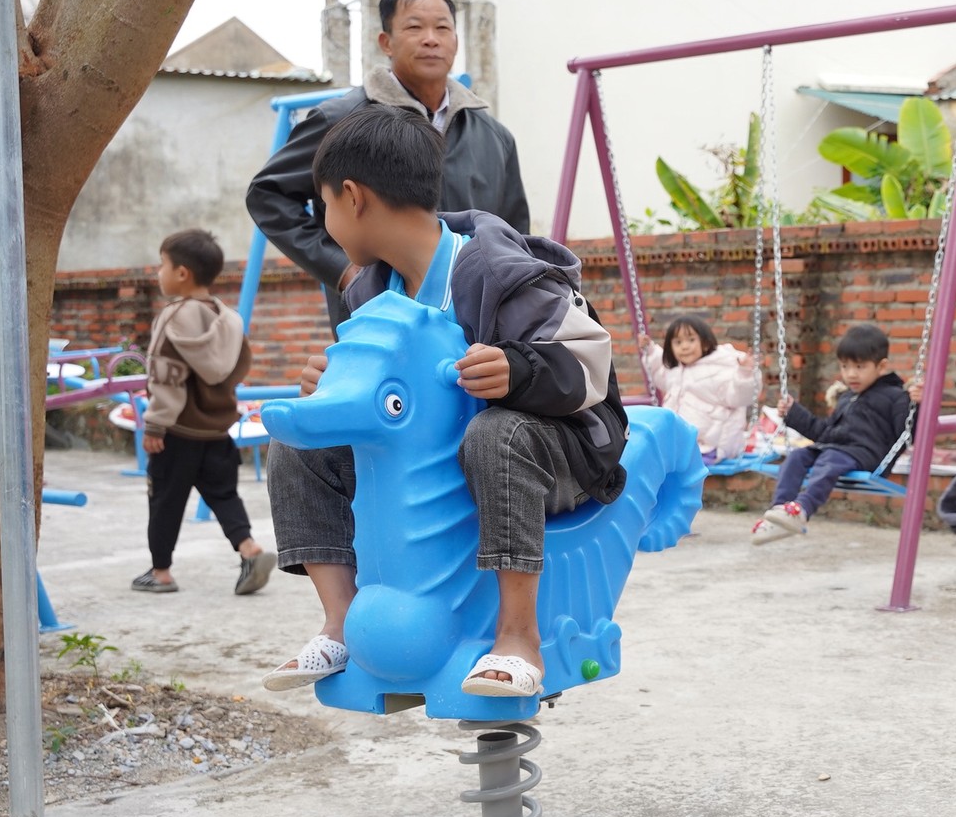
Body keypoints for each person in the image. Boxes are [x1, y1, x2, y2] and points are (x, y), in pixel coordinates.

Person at [260, 106, 627, 699]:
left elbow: (590, 365)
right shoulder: (368, 287)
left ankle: (518, 637)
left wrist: (519, 367)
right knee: (299, 445)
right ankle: (342, 623)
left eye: (321, 204)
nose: (323, 221)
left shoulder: (495, 269)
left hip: (557, 452)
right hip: (439, 458)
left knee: (498, 435)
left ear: (352, 198)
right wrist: (330, 384)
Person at [246, 0, 531, 330]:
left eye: (443, 28)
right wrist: (342, 269)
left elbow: (513, 234)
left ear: (456, 41)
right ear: (386, 42)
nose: (431, 39)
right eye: (414, 27)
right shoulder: (340, 120)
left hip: (472, 325)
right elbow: (267, 194)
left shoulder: (494, 137)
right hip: (376, 321)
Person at [133, 229, 276, 596]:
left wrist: (155, 426)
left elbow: (165, 377)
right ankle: (250, 549)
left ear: (182, 273)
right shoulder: (226, 318)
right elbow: (239, 367)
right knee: (224, 495)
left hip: (178, 432)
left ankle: (161, 571)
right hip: (217, 430)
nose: (157, 272)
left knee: (165, 499)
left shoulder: (173, 317)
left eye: (162, 264)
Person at [753, 325, 913, 544]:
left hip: (866, 456)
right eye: (845, 367)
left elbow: (909, 432)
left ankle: (801, 510)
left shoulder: (896, 397)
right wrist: (794, 414)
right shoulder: (847, 398)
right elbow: (824, 433)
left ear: (881, 366)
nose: (851, 374)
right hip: (835, 449)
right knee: (797, 456)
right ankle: (779, 512)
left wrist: (918, 406)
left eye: (860, 366)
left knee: (829, 459)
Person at [639, 313, 761, 463]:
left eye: (691, 340)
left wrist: (745, 373)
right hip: (683, 443)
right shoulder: (676, 371)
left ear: (705, 343)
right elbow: (659, 372)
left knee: (673, 465)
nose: (684, 347)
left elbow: (739, 396)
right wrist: (650, 351)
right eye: (678, 342)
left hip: (712, 445)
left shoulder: (719, 370)